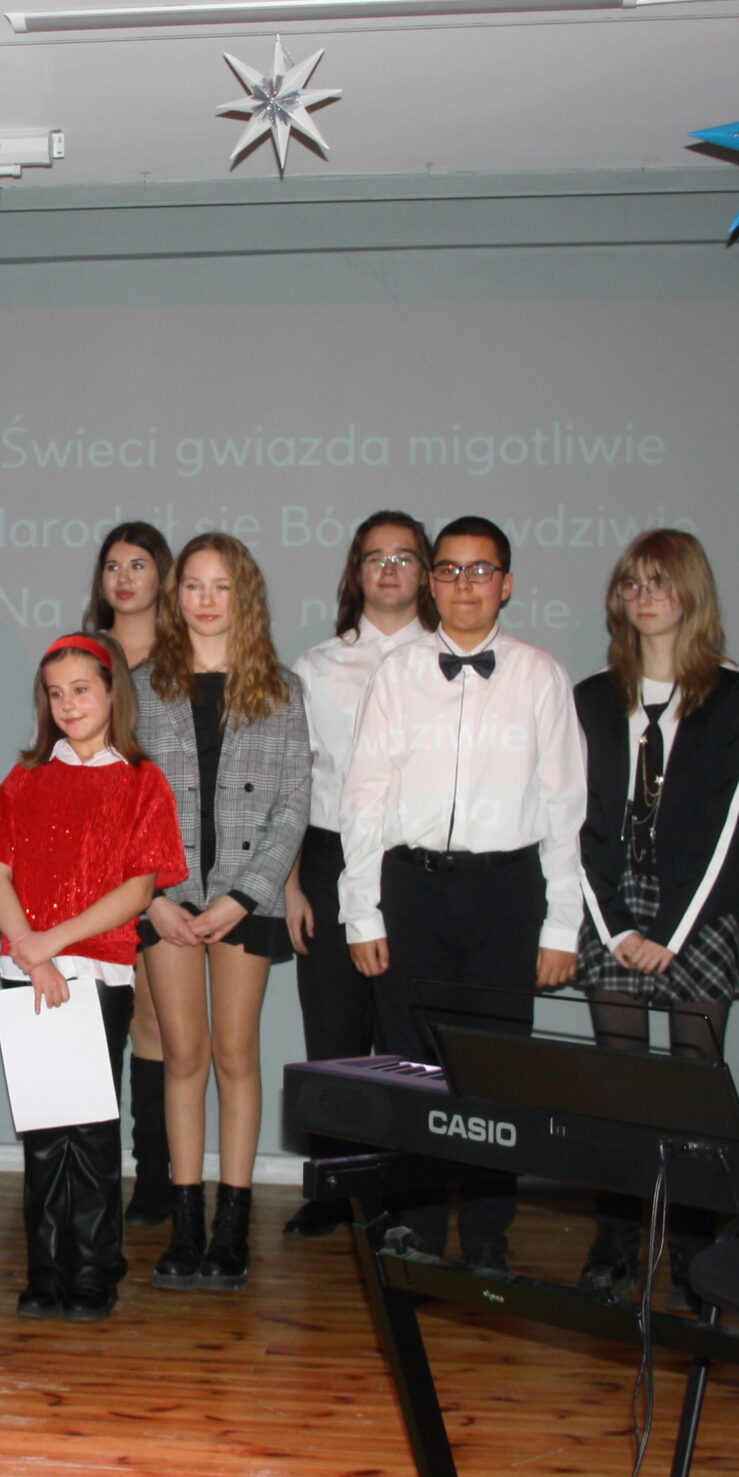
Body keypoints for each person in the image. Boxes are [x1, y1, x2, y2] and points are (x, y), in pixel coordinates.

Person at [338, 515, 583, 1273]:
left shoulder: (541, 675)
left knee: (495, 1069)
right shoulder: (396, 673)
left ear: (506, 584)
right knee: (412, 1068)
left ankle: (485, 1233)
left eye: (481, 571)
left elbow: (565, 805)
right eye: (448, 569)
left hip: (508, 892)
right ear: (432, 581)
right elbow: (364, 797)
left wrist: (562, 924)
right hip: (410, 889)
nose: (463, 584)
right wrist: (361, 909)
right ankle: (417, 1228)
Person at [572, 531, 739, 1296]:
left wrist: (672, 933)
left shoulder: (734, 691)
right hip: (616, 903)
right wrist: (620, 926)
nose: (645, 596)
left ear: (691, 592)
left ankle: (694, 1243)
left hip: (701, 905)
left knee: (694, 1082)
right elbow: (581, 818)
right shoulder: (593, 695)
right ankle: (616, 1237)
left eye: (660, 582)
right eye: (632, 584)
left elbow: (727, 821)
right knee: (618, 1084)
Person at [0, 632, 186, 1320]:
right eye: (56, 693)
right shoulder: (26, 779)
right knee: (44, 1130)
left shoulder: (141, 781)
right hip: (28, 969)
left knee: (89, 1128)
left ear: (113, 692)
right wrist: (31, 954)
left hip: (97, 970)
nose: (68, 704)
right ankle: (47, 1267)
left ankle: (93, 1267)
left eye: (82, 690)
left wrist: (53, 944)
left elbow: (138, 889)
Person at [131, 533, 308, 1291]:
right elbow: (120, 804)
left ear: (246, 597)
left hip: (248, 898)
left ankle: (233, 1223)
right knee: (183, 1057)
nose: (206, 600)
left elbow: (293, 804)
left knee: (236, 1055)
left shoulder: (281, 689)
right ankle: (187, 1220)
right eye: (193, 585)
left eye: (222, 586)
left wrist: (243, 896)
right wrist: (154, 898)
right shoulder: (139, 687)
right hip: (165, 901)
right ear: (176, 597)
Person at [280, 511, 435, 1238]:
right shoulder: (317, 666)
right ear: (356, 572)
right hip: (329, 856)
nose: (389, 569)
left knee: (410, 1041)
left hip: (416, 865)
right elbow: (296, 780)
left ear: (426, 572)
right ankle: (336, 1188)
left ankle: (404, 1191)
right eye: (376, 557)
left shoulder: (449, 661)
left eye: (405, 556)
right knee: (335, 1032)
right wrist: (290, 883)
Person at [84, 520, 181, 1227]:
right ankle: (92, 1177)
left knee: (152, 1023)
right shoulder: (84, 654)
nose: (123, 577)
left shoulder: (185, 660)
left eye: (138, 564)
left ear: (162, 576)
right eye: (113, 565)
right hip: (91, 870)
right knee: (93, 1029)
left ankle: (154, 1175)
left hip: (157, 869)